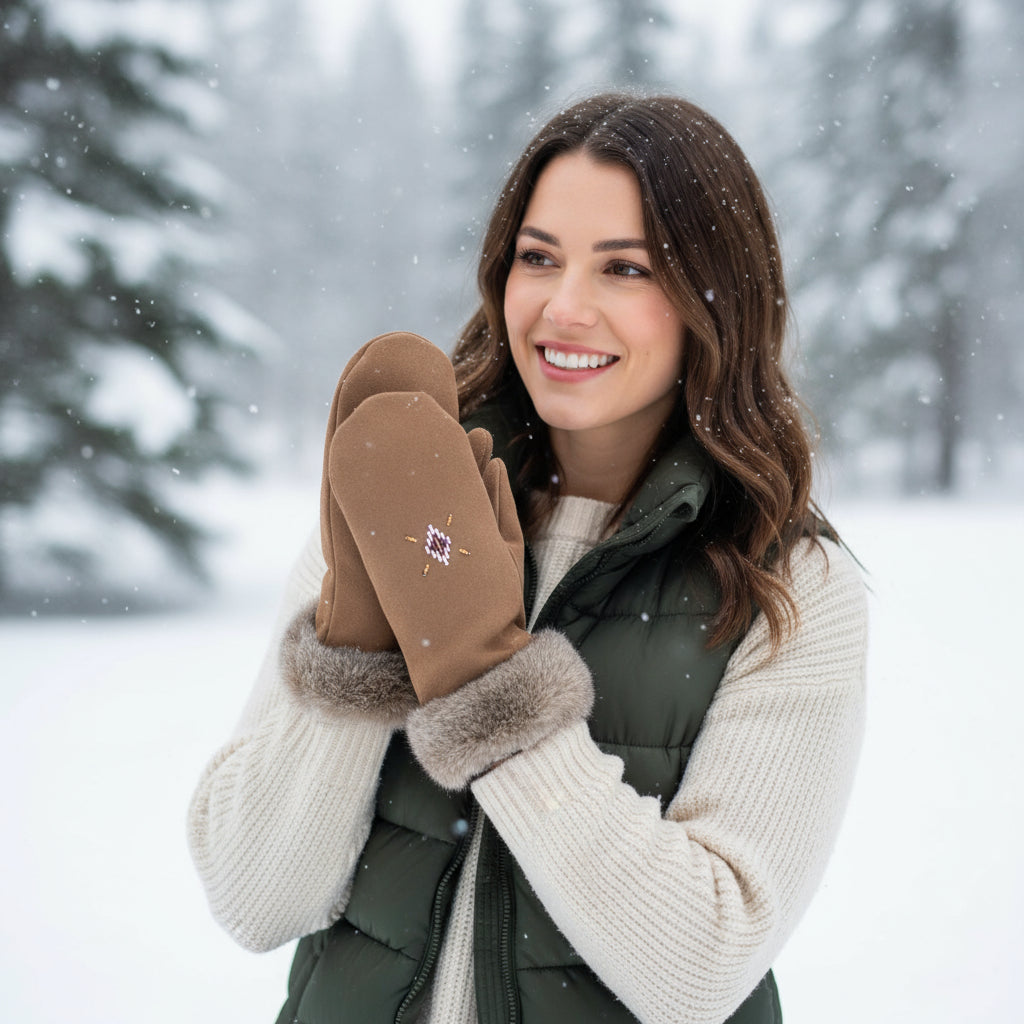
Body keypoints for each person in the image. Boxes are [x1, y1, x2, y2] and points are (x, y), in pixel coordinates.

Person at [187, 92, 867, 1024]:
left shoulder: (789, 586)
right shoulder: (400, 507)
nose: (564, 307)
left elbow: (704, 966)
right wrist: (359, 640)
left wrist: (485, 680)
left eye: (625, 268)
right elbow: (256, 897)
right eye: (538, 258)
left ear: (718, 297)